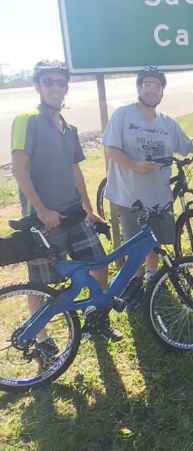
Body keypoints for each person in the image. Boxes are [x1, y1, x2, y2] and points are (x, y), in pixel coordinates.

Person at [11, 59, 120, 344]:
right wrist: (41, 209)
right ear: (37, 86)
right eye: (49, 82)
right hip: (43, 220)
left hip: (74, 213)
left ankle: (96, 318)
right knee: (41, 284)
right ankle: (42, 340)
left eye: (61, 82)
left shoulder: (68, 128)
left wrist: (89, 210)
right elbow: (18, 167)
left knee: (98, 265)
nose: (56, 88)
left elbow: (74, 170)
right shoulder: (27, 120)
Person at [101, 66, 193, 281]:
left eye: (157, 86)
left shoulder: (167, 122)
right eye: (147, 85)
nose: (152, 90)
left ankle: (153, 278)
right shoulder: (123, 115)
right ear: (139, 87)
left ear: (162, 91)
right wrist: (134, 164)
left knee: (155, 244)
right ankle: (133, 288)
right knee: (135, 248)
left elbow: (187, 143)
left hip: (159, 196)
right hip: (130, 196)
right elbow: (110, 150)